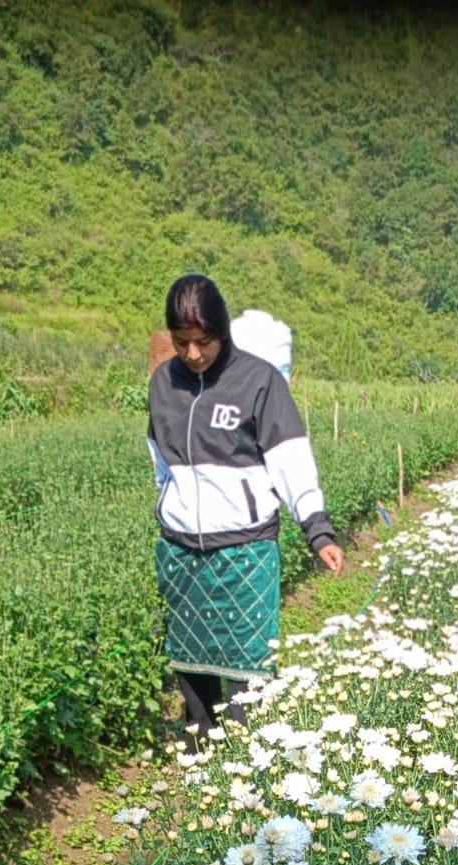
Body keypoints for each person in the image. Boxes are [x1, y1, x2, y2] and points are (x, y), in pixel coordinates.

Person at [147, 275, 345, 741]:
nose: (193, 353)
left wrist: (317, 529)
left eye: (204, 341)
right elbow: (160, 460)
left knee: (247, 671)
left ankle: (249, 761)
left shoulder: (258, 381)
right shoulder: (163, 384)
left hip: (245, 550)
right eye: (182, 341)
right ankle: (199, 754)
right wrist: (172, 505)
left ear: (222, 331)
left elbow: (291, 460)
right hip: (182, 551)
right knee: (191, 662)